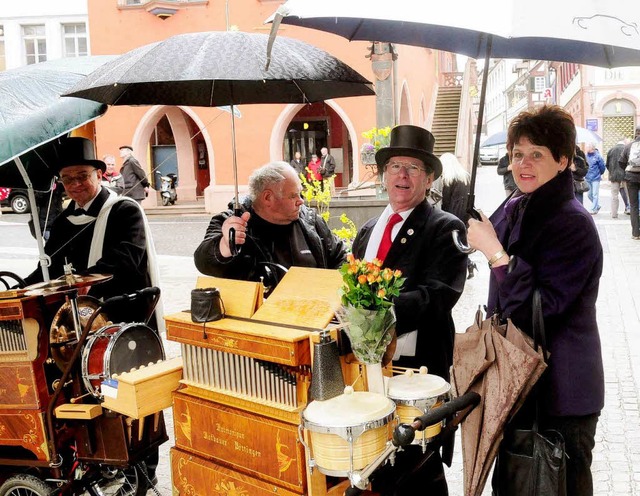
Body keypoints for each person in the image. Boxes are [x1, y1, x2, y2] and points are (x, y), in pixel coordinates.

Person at [467, 105, 604, 496]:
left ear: (563, 160)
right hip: (521, 382)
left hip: (561, 393)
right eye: (516, 154)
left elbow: (540, 308)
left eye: (537, 154)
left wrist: (495, 254)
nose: (523, 164)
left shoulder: (572, 222)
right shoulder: (517, 206)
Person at [351, 125, 468, 496]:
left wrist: (374, 312)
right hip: (367, 370)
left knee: (418, 465)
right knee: (375, 460)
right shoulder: (369, 229)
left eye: (413, 168)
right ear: (384, 174)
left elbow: (438, 297)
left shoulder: (445, 227)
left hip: (416, 371)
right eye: (395, 166)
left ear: (429, 178)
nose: (402, 175)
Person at [24, 137, 163, 331]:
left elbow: (126, 261)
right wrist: (19, 289)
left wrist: (82, 281)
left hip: (122, 314)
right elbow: (49, 268)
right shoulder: (62, 222)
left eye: (82, 176)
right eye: (68, 178)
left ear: (99, 174)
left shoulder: (125, 211)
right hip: (77, 319)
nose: (76, 184)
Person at [193, 161, 347, 293]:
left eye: (300, 194)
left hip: (314, 316)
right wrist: (225, 244)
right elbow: (202, 261)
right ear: (268, 197)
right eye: (293, 196)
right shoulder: (232, 222)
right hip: (259, 320)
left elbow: (341, 257)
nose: (301, 201)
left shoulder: (310, 220)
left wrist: (333, 294)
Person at [439, 152, 477, 279]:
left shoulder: (448, 180)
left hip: (452, 215)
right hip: (465, 215)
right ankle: (469, 264)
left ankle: (463, 266)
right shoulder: (465, 177)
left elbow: (446, 201)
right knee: (460, 243)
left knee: (453, 244)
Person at [619, 126, 640, 240]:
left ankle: (636, 233)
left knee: (633, 205)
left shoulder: (628, 146)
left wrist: (628, 169)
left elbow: (621, 162)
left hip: (631, 177)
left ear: (635, 133)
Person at [607, 139, 631, 218]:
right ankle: (631, 210)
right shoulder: (627, 149)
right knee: (629, 194)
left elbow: (607, 164)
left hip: (614, 176)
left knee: (614, 195)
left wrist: (611, 171)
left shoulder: (611, 150)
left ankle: (614, 213)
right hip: (625, 175)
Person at [584, 142, 606, 214]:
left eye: (587, 147)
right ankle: (597, 206)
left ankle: (593, 209)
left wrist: (599, 174)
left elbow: (602, 167)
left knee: (595, 194)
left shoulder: (598, 156)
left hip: (595, 178)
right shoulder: (586, 156)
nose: (586, 148)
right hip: (588, 178)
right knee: (589, 194)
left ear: (591, 148)